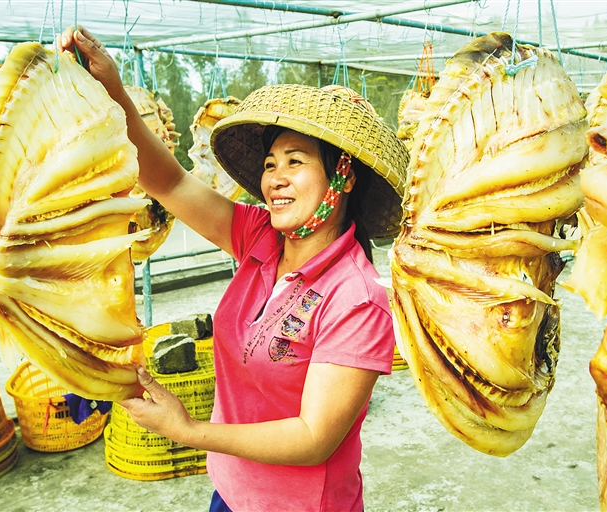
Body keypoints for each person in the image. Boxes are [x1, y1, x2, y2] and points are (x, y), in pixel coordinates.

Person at [59, 26, 410, 512]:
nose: (275, 179)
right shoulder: (259, 236)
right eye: (269, 164)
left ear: (342, 175)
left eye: (295, 161)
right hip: (230, 491)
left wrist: (188, 431)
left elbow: (313, 438)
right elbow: (168, 182)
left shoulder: (358, 298)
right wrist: (112, 92)